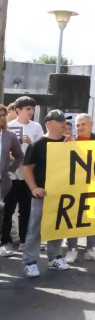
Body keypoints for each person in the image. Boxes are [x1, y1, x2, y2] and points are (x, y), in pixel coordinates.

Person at [21, 110, 70, 277]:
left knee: (58, 226)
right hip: (42, 194)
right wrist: (34, 188)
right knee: (35, 228)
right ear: (48, 124)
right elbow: (27, 168)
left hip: (61, 194)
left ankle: (54, 257)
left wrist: (74, 146)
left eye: (64, 120)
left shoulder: (68, 142)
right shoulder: (37, 145)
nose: (64, 123)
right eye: (60, 120)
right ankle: (30, 262)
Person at [2, 96, 43, 257]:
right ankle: (4, 242)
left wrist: (31, 142)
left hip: (29, 176)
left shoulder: (36, 127)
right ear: (18, 110)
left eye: (33, 109)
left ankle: (25, 241)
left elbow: (42, 149)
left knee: (26, 210)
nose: (31, 112)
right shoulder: (9, 126)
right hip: (12, 175)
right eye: (28, 108)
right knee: (8, 209)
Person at [64, 114, 95, 264]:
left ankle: (90, 249)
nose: (79, 128)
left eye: (83, 124)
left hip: (94, 185)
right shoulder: (70, 141)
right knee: (74, 217)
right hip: (74, 186)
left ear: (91, 124)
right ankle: (72, 249)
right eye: (77, 125)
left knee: (92, 217)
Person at [0, 105, 24, 270]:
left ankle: (5, 242)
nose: (1, 118)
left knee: (6, 212)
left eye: (3, 115)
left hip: (4, 181)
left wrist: (10, 170)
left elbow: (19, 155)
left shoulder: (9, 136)